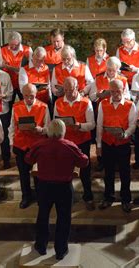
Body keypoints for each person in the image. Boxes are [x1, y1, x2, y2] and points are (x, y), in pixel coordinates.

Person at [25, 119, 88, 260]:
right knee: (64, 218)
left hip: (44, 186)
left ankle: (41, 246)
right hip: (63, 188)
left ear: (48, 131)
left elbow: (28, 159)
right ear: (63, 131)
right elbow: (84, 162)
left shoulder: (40, 145)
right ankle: (61, 250)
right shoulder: (69, 145)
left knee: (43, 216)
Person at [54, 77, 96, 210]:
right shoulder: (58, 102)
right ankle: (68, 197)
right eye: (65, 90)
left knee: (85, 170)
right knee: (65, 171)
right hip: (65, 142)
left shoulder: (86, 102)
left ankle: (88, 196)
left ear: (77, 88)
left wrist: (79, 126)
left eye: (70, 90)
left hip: (82, 141)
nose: (67, 93)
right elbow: (55, 122)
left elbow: (92, 124)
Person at [96, 79, 137, 213]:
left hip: (123, 144)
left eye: (117, 91)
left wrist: (125, 134)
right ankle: (108, 197)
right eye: (112, 91)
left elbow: (132, 125)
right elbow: (99, 125)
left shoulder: (130, 105)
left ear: (123, 89)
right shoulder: (103, 104)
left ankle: (126, 199)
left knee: (125, 173)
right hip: (108, 144)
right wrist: (99, 145)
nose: (115, 94)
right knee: (108, 173)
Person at [9, 83, 50, 209]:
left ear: (36, 94)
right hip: (21, 145)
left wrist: (40, 130)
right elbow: (11, 128)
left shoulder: (43, 107)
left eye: (31, 96)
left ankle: (40, 196)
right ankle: (26, 196)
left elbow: (48, 128)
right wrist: (11, 145)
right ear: (22, 94)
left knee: (38, 173)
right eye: (26, 96)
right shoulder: (16, 106)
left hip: (37, 145)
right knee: (23, 173)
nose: (29, 99)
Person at [0, 31, 32, 102]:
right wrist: (2, 65)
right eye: (11, 45)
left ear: (20, 42)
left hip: (23, 82)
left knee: (25, 103)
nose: (13, 47)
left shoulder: (28, 49)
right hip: (8, 82)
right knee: (8, 104)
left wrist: (9, 67)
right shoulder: (2, 49)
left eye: (16, 45)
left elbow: (32, 66)